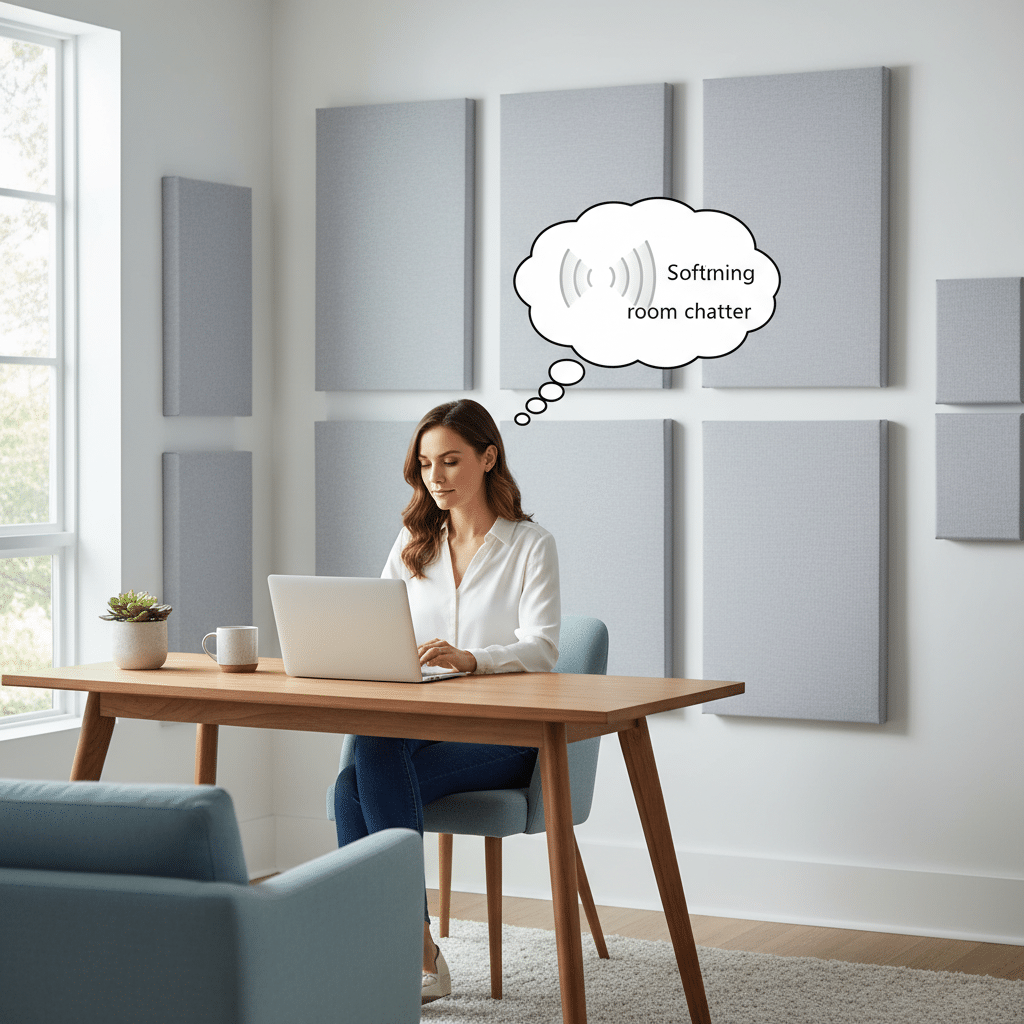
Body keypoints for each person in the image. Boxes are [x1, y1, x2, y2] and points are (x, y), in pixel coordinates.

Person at [332, 399, 560, 1004]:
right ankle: (406, 948)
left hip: (507, 738)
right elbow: (376, 623)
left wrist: (472, 658)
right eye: (426, 464)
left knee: (360, 775)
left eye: (452, 461)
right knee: (355, 775)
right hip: (421, 724)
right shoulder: (413, 541)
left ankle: (409, 951)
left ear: (488, 458)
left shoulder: (529, 545)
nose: (436, 477)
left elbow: (543, 648)